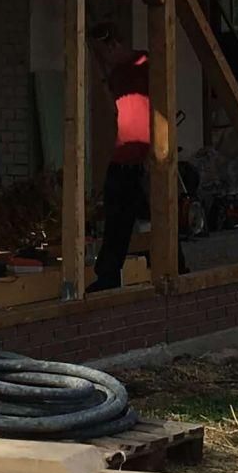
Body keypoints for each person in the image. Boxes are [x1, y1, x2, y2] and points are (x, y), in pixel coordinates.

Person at [88, 19, 157, 293]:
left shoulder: (147, 65)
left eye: (104, 53)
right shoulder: (116, 74)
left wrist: (154, 151)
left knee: (158, 216)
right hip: (121, 157)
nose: (104, 60)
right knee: (116, 220)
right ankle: (108, 276)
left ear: (114, 45)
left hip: (144, 157)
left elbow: (159, 107)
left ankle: (174, 266)